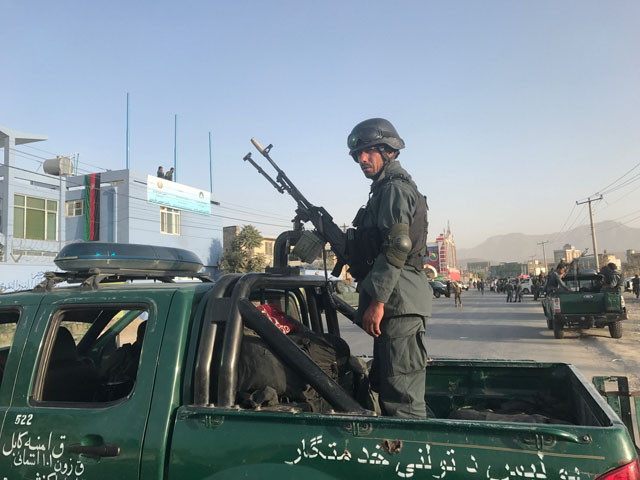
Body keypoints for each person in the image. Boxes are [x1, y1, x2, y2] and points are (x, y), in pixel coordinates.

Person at [348, 118, 430, 418]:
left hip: (399, 302)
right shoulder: (384, 190)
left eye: (369, 151)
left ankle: (413, 459)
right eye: (359, 154)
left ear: (389, 152)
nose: (362, 159)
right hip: (397, 302)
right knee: (389, 389)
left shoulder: (394, 189)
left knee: (402, 402)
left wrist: (378, 301)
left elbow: (398, 246)